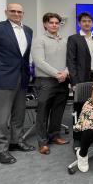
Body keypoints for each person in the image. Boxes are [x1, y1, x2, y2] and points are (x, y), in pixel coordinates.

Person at [0, 3, 35, 164]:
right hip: (2, 78)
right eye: (13, 11)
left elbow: (24, 56)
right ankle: (1, 150)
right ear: (6, 12)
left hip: (22, 77)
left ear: (23, 13)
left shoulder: (28, 30)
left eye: (19, 12)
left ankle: (16, 142)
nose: (16, 14)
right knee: (2, 117)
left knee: (19, 113)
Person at [31, 12, 70, 155]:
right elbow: (39, 62)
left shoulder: (64, 40)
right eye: (51, 22)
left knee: (58, 111)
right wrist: (57, 74)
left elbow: (70, 60)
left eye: (56, 23)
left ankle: (54, 136)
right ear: (45, 24)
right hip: (46, 81)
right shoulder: (39, 40)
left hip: (63, 80)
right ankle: (42, 142)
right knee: (43, 113)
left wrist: (65, 73)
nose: (54, 25)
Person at [67, 11, 93, 87]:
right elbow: (71, 61)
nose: (87, 23)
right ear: (79, 23)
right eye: (84, 21)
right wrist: (74, 81)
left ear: (92, 23)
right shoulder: (73, 39)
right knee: (81, 99)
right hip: (80, 78)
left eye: (89, 21)